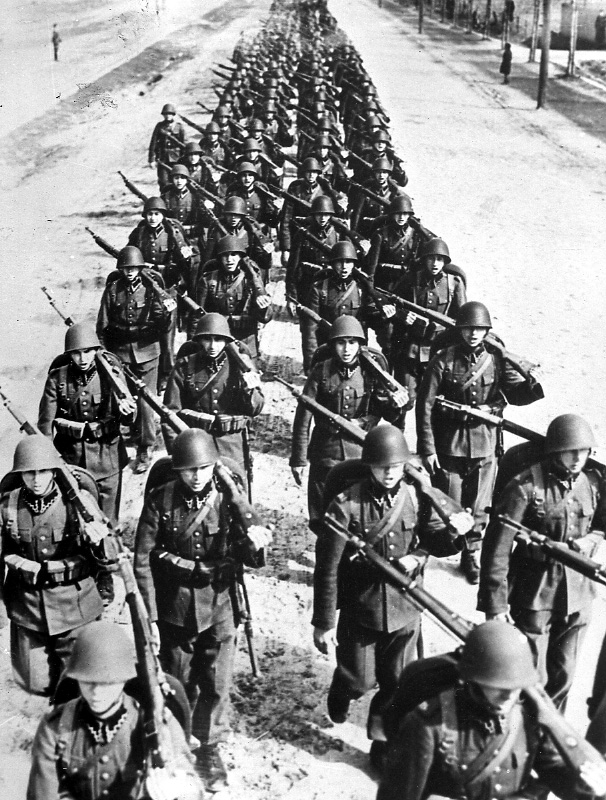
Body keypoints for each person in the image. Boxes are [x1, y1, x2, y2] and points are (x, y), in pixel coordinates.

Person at [313, 425, 467, 768]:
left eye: (395, 466)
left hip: (406, 608)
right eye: (382, 467)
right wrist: (323, 622)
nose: (389, 473)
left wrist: (449, 538)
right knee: (359, 679)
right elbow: (327, 568)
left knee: (397, 683)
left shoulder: (415, 497)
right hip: (361, 607)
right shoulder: (347, 503)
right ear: (369, 466)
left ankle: (381, 744)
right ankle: (342, 690)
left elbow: (436, 539)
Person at [134, 428, 272, 791]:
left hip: (220, 600)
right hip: (174, 605)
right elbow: (142, 561)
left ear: (215, 466)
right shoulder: (160, 500)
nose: (197, 476)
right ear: (177, 470)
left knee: (215, 680)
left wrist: (256, 544)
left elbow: (250, 557)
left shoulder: (229, 500)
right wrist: (149, 617)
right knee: (176, 680)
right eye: (189, 469)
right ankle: (178, 743)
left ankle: (209, 748)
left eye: (205, 468)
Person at [378, 620, 606, 800]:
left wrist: (586, 786)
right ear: (474, 680)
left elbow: (553, 771)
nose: (509, 695)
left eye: (516, 687)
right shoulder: (429, 725)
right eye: (498, 687)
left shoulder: (531, 715)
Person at [479, 414, 606, 711]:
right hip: (533, 590)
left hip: (578, 592)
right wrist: (495, 604)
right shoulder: (524, 487)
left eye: (584, 451)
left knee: (564, 674)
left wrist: (591, 540)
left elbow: (602, 524)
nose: (577, 458)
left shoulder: (594, 482)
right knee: (531, 675)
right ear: (554, 450)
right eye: (570, 450)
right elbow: (497, 549)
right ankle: (523, 736)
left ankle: (548, 741)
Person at [416, 301, 544, 583]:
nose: (474, 334)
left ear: (487, 331)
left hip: (486, 445)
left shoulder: (496, 360)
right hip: (450, 444)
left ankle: (470, 553)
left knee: (479, 504)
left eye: (480, 329)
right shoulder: (443, 360)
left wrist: (512, 360)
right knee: (448, 501)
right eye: (468, 328)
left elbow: (523, 395)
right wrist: (427, 448)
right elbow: (424, 406)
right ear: (459, 330)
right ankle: (426, 549)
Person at [27, 620, 203, 800]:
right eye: (87, 682)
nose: (96, 692)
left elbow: (191, 785)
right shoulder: (56, 728)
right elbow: (43, 794)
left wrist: (177, 792)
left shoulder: (155, 722)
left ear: (124, 679)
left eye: (106, 683)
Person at [0, 436, 109, 696]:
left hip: (75, 603)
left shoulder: (78, 503)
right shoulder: (7, 506)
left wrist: (98, 541)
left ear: (54, 471)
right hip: (28, 608)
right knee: (35, 683)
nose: (36, 479)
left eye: (43, 471)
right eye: (29, 473)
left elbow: (108, 558)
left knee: (77, 681)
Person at [290, 316, 407, 532]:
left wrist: (398, 405)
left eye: (352, 342)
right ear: (333, 344)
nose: (346, 349)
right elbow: (303, 418)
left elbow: (388, 415)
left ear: (360, 345)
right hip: (326, 450)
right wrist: (298, 459)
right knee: (322, 513)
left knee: (357, 511)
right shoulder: (321, 372)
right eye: (341, 342)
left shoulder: (370, 372)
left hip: (360, 452)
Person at [38, 322, 137, 526]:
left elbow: (128, 418)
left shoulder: (112, 375)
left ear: (96, 351)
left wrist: (128, 411)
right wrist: (49, 460)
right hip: (72, 457)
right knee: (76, 516)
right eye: (76, 353)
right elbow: (45, 425)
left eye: (87, 352)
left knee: (109, 520)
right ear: (69, 355)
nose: (83, 359)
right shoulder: (58, 379)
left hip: (107, 455)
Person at [97, 246, 171, 473]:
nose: (129, 272)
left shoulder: (151, 289)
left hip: (147, 351)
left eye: (134, 268)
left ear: (140, 268)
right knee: (120, 400)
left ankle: (145, 446)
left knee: (146, 402)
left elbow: (163, 326)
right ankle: (118, 444)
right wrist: (104, 354)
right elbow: (103, 325)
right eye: (126, 268)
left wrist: (167, 312)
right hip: (120, 353)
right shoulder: (113, 290)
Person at [162, 313, 264, 479]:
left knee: (235, 491)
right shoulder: (185, 366)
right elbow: (170, 415)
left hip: (231, 444)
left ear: (227, 341)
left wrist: (249, 389)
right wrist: (179, 451)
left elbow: (256, 408)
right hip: (196, 443)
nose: (212, 345)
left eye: (218, 339)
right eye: (207, 339)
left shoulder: (240, 365)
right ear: (199, 340)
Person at [390, 237, 467, 419]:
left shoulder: (454, 284)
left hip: (439, 352)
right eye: (431, 258)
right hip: (411, 350)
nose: (435, 263)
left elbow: (461, 320)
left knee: (435, 406)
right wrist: (402, 316)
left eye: (440, 259)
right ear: (424, 260)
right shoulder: (411, 279)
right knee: (404, 400)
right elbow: (391, 303)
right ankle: (397, 441)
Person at [195, 235, 271, 359]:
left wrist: (263, 308)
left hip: (245, 338)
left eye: (234, 255)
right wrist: (195, 344)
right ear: (219, 258)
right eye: (225, 255)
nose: (229, 260)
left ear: (241, 257)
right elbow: (198, 315)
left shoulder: (251, 280)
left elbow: (265, 318)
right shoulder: (208, 280)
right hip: (218, 341)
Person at [148, 103, 186, 191]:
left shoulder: (179, 127)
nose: (168, 116)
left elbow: (184, 144)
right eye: (165, 114)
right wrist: (151, 159)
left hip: (177, 159)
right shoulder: (159, 126)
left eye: (170, 114)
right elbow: (153, 143)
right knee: (163, 182)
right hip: (163, 159)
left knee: (177, 181)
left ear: (173, 115)